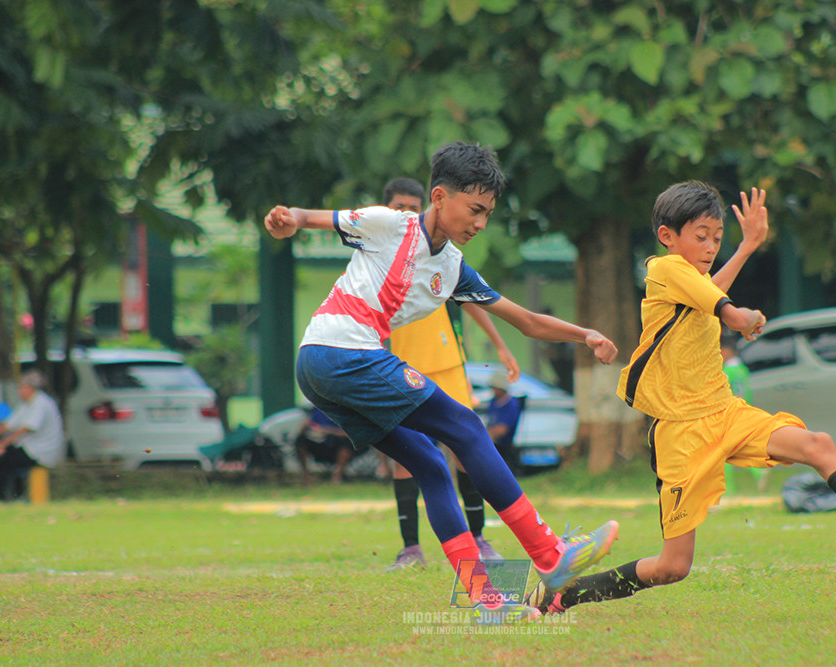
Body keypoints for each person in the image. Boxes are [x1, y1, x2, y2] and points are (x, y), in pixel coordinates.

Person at [527, 181, 836, 615]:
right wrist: (738, 315)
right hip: (680, 434)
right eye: (701, 236)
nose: (711, 245)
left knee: (818, 445)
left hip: (725, 411)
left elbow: (707, 291)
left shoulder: (693, 283)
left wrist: (748, 246)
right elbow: (717, 301)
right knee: (672, 567)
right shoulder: (662, 270)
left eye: (718, 238)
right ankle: (567, 594)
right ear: (667, 236)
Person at [263, 142, 620, 620]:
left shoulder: (451, 267)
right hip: (340, 352)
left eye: (488, 214)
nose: (479, 223)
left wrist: (586, 334)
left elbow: (526, 320)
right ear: (438, 196)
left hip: (323, 368)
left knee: (431, 464)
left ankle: (485, 601)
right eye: (474, 209)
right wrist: (287, 219)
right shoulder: (392, 224)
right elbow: (313, 218)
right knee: (468, 428)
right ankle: (550, 554)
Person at [381, 176, 519, 570]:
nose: (406, 213)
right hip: (403, 368)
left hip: (448, 364)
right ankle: (411, 550)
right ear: (385, 209)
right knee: (405, 456)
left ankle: (479, 540)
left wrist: (501, 345)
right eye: (399, 207)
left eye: (413, 206)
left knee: (466, 449)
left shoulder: (438, 251)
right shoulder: (378, 252)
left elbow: (474, 298)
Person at [0, 370, 65, 501]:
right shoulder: (25, 404)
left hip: (40, 452)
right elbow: (7, 425)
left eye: (21, 387)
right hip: (28, 448)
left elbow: (26, 429)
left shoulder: (41, 403)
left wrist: (2, 444)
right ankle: (9, 495)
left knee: (1, 461)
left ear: (30, 388)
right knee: (4, 458)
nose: (19, 391)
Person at [720, 332, 766, 492]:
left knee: (722, 452)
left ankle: (727, 489)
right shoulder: (741, 369)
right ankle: (759, 471)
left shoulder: (728, 372)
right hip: (744, 411)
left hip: (731, 414)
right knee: (739, 448)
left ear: (725, 352)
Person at [295, 408, 355, 484]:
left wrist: (328, 431)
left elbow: (350, 434)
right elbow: (306, 430)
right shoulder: (316, 411)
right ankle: (306, 475)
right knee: (300, 441)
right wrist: (305, 426)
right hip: (319, 444)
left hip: (337, 444)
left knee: (347, 443)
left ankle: (337, 476)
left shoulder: (343, 411)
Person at [484, 371, 523, 474]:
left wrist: (486, 433)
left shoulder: (511, 405)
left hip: (503, 444)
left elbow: (503, 430)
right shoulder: (493, 402)